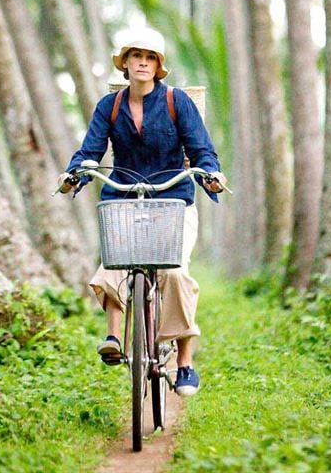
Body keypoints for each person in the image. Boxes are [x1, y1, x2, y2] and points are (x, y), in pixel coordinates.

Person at [58, 28, 226, 396]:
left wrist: (211, 175)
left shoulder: (176, 102)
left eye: (150, 58)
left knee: (175, 275)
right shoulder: (110, 106)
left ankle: (184, 362)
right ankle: (114, 338)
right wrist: (75, 174)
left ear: (159, 65)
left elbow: (201, 151)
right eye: (137, 56)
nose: (143, 63)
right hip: (125, 200)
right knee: (112, 265)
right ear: (125, 63)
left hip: (173, 201)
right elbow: (91, 150)